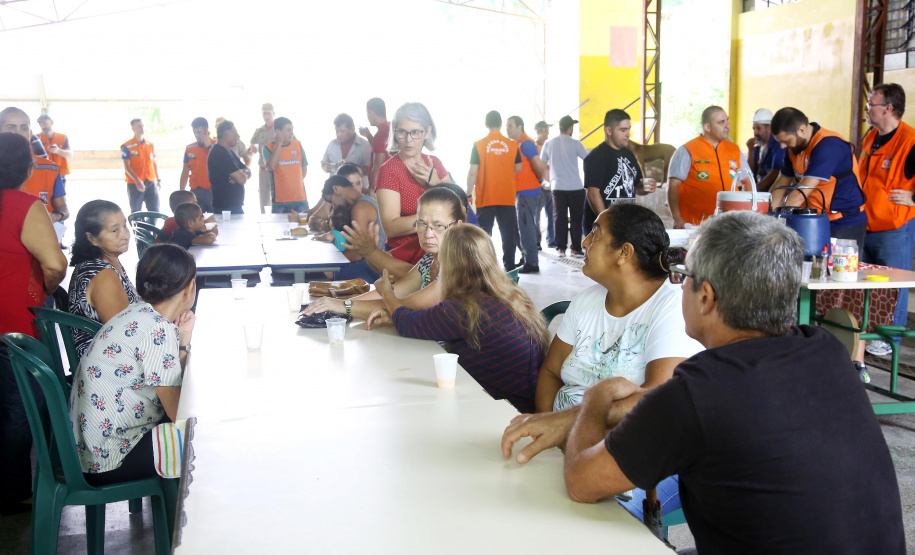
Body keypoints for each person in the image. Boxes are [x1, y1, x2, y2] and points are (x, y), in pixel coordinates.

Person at [549, 211, 905, 554]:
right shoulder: (825, 351)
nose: (678, 288)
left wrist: (597, 397)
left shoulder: (699, 392)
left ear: (705, 297)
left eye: (683, 277)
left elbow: (582, 482)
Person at [368, 225, 550, 413]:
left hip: (507, 411)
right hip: (526, 400)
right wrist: (394, 314)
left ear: (448, 265)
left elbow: (408, 323)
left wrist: (387, 293)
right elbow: (418, 319)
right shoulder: (509, 294)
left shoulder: (465, 307)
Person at [70, 243, 197, 485]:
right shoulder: (157, 330)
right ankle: (190, 521)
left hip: (91, 449)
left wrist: (182, 342)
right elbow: (177, 413)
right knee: (206, 443)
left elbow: (167, 379)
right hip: (111, 458)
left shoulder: (137, 313)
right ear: (189, 287)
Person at [0, 133, 68, 515]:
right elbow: (55, 264)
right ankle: (13, 492)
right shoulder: (25, 206)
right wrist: (42, 288)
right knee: (20, 409)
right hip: (15, 325)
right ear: (27, 168)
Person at [301, 187, 465, 322]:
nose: (428, 233)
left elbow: (402, 306)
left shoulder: (458, 266)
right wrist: (333, 304)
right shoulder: (429, 260)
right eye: (422, 224)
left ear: (458, 225)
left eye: (438, 226)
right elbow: (398, 291)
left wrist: (342, 307)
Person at [858, 83, 915, 358]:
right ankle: (867, 335)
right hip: (865, 223)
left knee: (895, 286)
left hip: (894, 228)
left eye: (872, 105)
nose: (867, 109)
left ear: (889, 108)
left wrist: (914, 198)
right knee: (868, 284)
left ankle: (890, 339)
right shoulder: (871, 137)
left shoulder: (910, 140)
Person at [770, 107, 868, 249]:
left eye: (786, 141)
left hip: (843, 221)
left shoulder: (829, 145)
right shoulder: (794, 147)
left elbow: (801, 193)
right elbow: (780, 184)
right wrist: (767, 212)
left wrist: (776, 220)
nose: (782, 146)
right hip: (811, 219)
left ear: (802, 130)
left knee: (839, 270)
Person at [376, 102, 454, 265]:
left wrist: (438, 185)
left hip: (437, 254)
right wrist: (435, 218)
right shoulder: (389, 170)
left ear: (427, 132)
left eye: (415, 132)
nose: (408, 140)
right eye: (402, 132)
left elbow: (458, 209)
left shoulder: (435, 163)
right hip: (402, 256)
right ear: (395, 132)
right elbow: (391, 227)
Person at [67, 200, 141, 357]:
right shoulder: (103, 275)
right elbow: (124, 335)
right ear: (92, 238)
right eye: (115, 231)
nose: (125, 235)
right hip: (107, 368)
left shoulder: (107, 261)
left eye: (125, 226)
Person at [668, 106, 748, 229]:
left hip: (730, 224)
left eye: (727, 120)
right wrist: (677, 218)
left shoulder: (734, 149)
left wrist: (746, 212)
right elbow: (673, 186)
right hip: (696, 224)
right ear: (707, 127)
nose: (728, 125)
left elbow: (747, 181)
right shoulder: (687, 150)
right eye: (721, 122)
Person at [583, 109, 657, 231]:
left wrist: (645, 187)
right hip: (602, 227)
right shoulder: (596, 156)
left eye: (629, 129)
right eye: (623, 130)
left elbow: (636, 186)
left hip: (625, 224)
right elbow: (592, 193)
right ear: (609, 130)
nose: (628, 134)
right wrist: (606, 222)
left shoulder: (629, 155)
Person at [467, 110, 523, 271]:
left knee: (484, 236)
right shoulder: (512, 145)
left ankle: (483, 269)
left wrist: (468, 192)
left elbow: (473, 171)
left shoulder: (479, 145)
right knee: (508, 234)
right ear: (500, 124)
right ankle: (510, 267)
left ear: (486, 124)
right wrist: (504, 171)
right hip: (506, 196)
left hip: (486, 196)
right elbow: (518, 167)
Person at [0, 108, 69, 224]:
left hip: (42, 236)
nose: (18, 133)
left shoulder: (50, 169)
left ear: (30, 133)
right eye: (11, 127)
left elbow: (64, 208)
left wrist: (58, 215)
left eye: (24, 128)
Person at [316, 175, 384, 282]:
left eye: (331, 201)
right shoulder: (364, 201)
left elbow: (357, 254)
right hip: (371, 262)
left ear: (336, 189)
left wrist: (331, 261)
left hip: (372, 267)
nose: (333, 207)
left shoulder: (361, 207)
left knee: (325, 271)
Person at [540, 115, 588, 257]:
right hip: (576, 187)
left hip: (557, 187)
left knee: (559, 217)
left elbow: (542, 164)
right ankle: (575, 249)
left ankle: (560, 248)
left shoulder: (549, 144)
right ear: (570, 128)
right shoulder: (576, 143)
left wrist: (548, 178)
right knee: (576, 218)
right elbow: (588, 159)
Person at [506, 115, 545, 273]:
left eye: (510, 126)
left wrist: (540, 180)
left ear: (519, 127)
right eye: (506, 126)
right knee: (521, 228)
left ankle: (532, 263)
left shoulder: (526, 143)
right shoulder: (515, 144)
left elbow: (538, 166)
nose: (507, 129)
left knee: (527, 228)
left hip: (528, 193)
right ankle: (526, 257)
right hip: (520, 193)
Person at [264, 116, 309, 214]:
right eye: (288, 130)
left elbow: (304, 170)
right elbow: (271, 166)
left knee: (302, 228)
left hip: (300, 200)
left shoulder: (297, 145)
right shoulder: (268, 148)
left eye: (292, 130)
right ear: (277, 132)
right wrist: (278, 143)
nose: (291, 133)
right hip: (280, 202)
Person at [208, 120, 251, 214]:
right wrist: (240, 175)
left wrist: (241, 173)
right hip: (225, 208)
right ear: (227, 137)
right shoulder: (220, 153)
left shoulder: (229, 152)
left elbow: (248, 171)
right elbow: (242, 180)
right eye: (235, 133)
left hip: (234, 205)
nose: (238, 136)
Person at [121, 118, 161, 213]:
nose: (142, 128)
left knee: (155, 209)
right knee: (136, 210)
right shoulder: (127, 146)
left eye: (143, 126)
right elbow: (127, 166)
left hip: (150, 181)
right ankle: (139, 227)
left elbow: (153, 162)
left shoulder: (150, 144)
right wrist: (137, 180)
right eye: (139, 126)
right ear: (133, 128)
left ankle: (151, 227)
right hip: (135, 183)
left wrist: (158, 179)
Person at [179, 117, 216, 212]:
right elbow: (185, 171)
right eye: (194, 132)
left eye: (199, 132)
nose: (196, 135)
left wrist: (209, 146)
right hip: (196, 191)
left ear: (206, 131)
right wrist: (181, 192)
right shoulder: (189, 148)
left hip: (213, 191)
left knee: (215, 220)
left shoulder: (216, 146)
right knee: (196, 221)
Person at [321, 113, 371, 183]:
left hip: (357, 191)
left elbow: (371, 170)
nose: (338, 134)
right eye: (336, 131)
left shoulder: (365, 146)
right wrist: (325, 167)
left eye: (342, 131)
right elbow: (323, 162)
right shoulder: (332, 144)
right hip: (335, 190)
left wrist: (353, 167)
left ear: (352, 129)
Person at [745, 108, 785, 192]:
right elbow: (750, 172)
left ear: (769, 128)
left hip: (772, 191)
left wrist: (755, 189)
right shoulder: (757, 147)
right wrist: (751, 151)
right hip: (758, 189)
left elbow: (775, 172)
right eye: (753, 129)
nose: (755, 132)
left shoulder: (778, 145)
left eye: (758, 128)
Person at [250, 103, 277, 213]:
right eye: (264, 113)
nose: (266, 116)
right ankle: (264, 218)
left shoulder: (279, 129)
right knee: (263, 197)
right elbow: (252, 145)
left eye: (268, 113)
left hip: (276, 169)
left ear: (273, 114)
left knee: (277, 196)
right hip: (263, 169)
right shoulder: (259, 131)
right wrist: (252, 149)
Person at [360, 97, 391, 190]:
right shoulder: (390, 128)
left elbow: (378, 165)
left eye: (367, 113)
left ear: (371, 113)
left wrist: (372, 189)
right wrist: (369, 136)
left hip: (384, 185)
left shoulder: (381, 134)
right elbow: (382, 149)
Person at [534, 120, 555, 249]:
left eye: (548, 131)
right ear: (538, 132)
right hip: (538, 187)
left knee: (552, 215)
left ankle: (552, 240)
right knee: (536, 216)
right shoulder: (533, 148)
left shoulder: (551, 146)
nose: (547, 134)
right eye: (545, 131)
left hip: (551, 187)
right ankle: (537, 241)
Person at [36, 114, 72, 187]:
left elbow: (70, 154)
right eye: (41, 124)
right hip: (43, 176)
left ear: (51, 122)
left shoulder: (63, 137)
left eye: (45, 123)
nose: (43, 126)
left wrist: (58, 151)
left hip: (60, 175)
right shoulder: (36, 138)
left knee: (60, 198)